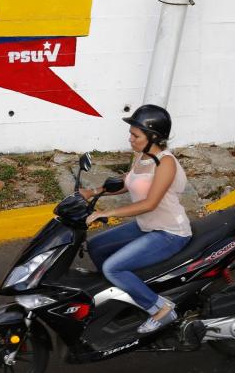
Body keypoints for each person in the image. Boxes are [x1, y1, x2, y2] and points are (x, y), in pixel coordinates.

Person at [79, 104, 192, 334]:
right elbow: (128, 181)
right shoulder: (142, 155)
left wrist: (106, 213)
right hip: (147, 227)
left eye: (135, 134)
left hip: (170, 233)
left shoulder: (166, 162)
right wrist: (94, 192)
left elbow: (149, 203)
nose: (130, 138)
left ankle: (160, 308)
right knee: (97, 246)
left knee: (113, 267)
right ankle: (126, 295)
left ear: (153, 137)